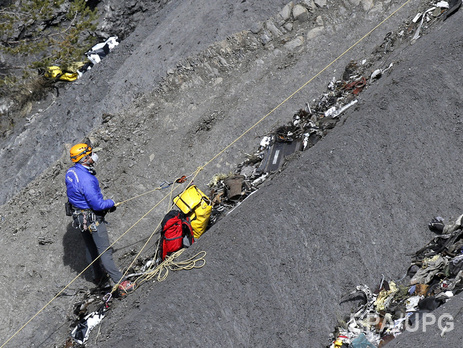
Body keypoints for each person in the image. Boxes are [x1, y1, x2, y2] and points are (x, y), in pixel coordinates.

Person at [65, 143, 134, 295]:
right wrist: (111, 203)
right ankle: (121, 283)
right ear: (84, 158)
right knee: (105, 252)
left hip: (80, 218)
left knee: (91, 248)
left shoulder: (70, 173)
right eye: (90, 155)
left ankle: (99, 278)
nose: (93, 157)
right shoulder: (87, 180)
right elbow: (97, 204)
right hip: (92, 218)